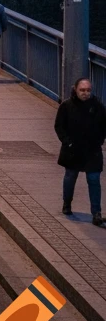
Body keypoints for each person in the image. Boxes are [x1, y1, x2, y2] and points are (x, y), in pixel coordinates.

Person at [55, 78, 106, 225]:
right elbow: (59, 126)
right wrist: (68, 142)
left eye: (88, 90)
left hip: (92, 150)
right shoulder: (66, 106)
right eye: (82, 90)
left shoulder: (98, 107)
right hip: (73, 150)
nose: (85, 93)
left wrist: (100, 141)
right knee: (70, 177)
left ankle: (96, 212)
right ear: (75, 90)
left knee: (94, 179)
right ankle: (67, 203)